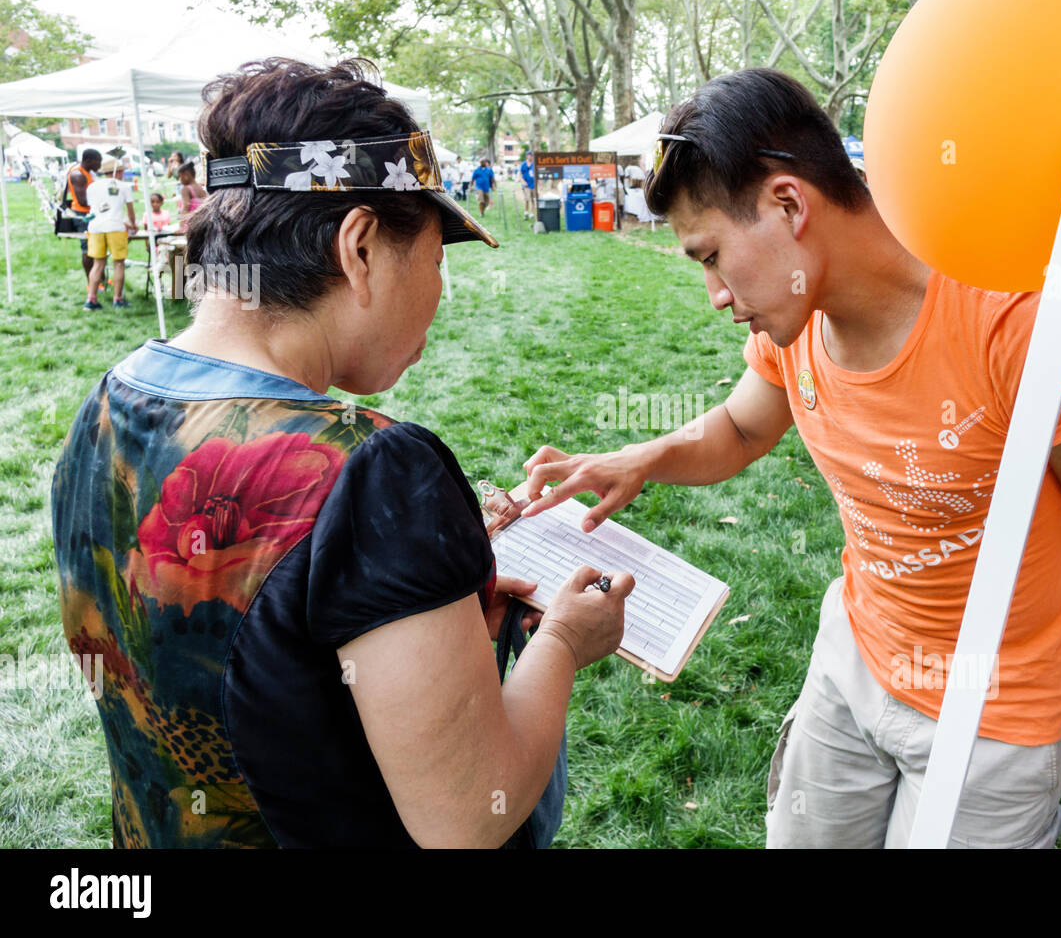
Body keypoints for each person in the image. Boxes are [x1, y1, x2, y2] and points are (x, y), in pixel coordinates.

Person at [519, 68, 1061, 848]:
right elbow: (738, 429)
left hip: (995, 719)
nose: (715, 296)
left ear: (790, 204)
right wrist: (634, 458)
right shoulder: (795, 323)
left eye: (710, 256)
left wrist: (1046, 634)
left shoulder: (1020, 327)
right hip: (853, 659)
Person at [50, 57, 631, 849]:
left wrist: (421, 599)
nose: (437, 289)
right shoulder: (375, 470)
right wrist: (563, 640)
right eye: (435, 256)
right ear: (359, 247)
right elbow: (469, 814)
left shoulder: (108, 401)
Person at [82, 156, 138, 310]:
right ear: (118, 172)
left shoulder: (92, 186)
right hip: (115, 228)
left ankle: (91, 299)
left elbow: (98, 209)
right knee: (118, 263)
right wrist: (132, 224)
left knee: (98, 263)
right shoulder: (124, 186)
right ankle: (117, 299)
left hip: (95, 227)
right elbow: (130, 211)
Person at [64, 148, 101, 292]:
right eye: (98, 161)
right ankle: (91, 283)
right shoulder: (78, 174)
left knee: (97, 248)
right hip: (82, 216)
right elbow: (83, 200)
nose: (100, 164)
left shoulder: (88, 173)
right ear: (89, 160)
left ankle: (98, 279)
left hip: (90, 214)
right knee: (87, 249)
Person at [176, 160, 207, 232]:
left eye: (180, 177)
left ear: (187, 174)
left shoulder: (186, 189)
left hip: (191, 225)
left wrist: (181, 226)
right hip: (203, 223)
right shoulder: (201, 188)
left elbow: (185, 207)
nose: (180, 180)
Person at [520, 150, 536, 219]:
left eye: (532, 155)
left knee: (533, 199)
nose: (531, 157)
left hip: (534, 185)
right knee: (527, 199)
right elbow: (520, 174)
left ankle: (532, 214)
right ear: (527, 156)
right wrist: (523, 181)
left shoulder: (534, 164)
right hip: (526, 185)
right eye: (530, 155)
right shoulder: (523, 164)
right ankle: (526, 213)